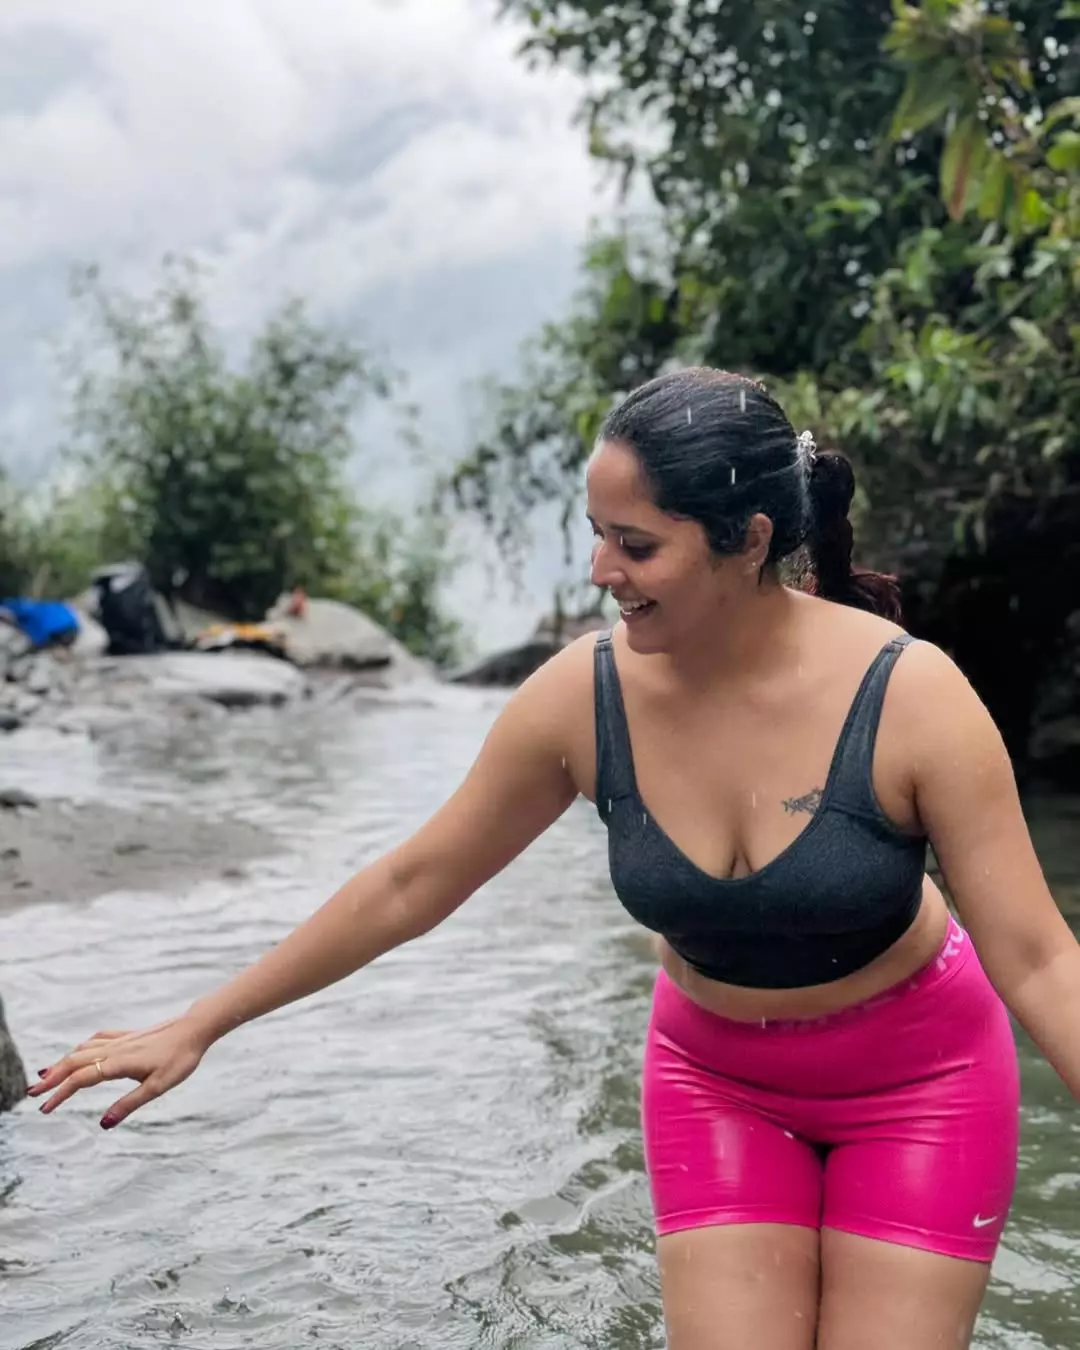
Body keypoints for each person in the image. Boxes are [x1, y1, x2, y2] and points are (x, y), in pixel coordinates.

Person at [30, 368, 1080, 1350]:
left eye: (635, 543)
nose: (599, 571)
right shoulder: (583, 697)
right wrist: (203, 1022)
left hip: (919, 1082)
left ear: (748, 538)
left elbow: (1036, 961)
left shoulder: (911, 695)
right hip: (718, 1080)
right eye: (594, 535)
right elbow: (412, 883)